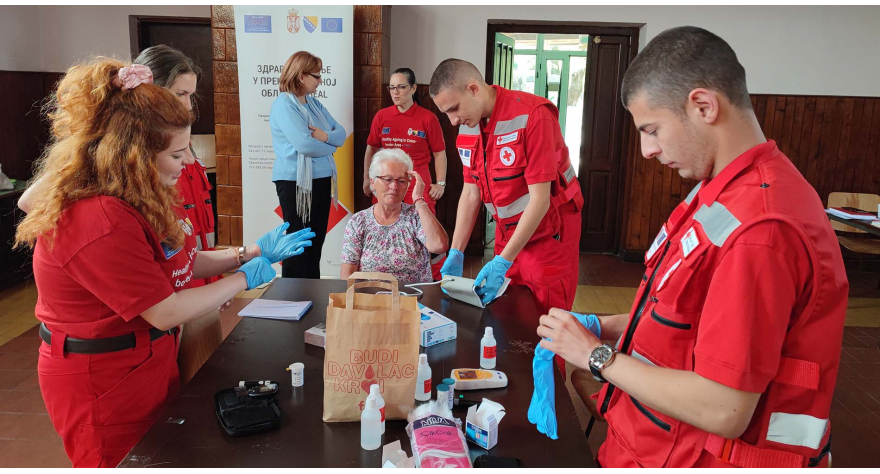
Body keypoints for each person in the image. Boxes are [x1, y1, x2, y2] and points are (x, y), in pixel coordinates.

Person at [536, 26, 847, 468]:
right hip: (652, 445)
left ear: (703, 106)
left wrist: (595, 354)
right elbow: (687, 316)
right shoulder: (719, 192)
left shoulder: (762, 229)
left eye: (652, 129)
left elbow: (724, 409)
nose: (646, 150)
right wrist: (602, 324)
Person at [13, 58, 313, 467]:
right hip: (103, 378)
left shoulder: (135, 195)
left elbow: (178, 263)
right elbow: (165, 310)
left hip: (146, 360)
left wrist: (250, 253)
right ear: (133, 155)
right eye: (177, 153)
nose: (190, 162)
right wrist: (243, 278)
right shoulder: (99, 217)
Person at [18, 45, 219, 287]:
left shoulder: (179, 143)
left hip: (188, 278)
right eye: (179, 94)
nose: (188, 105)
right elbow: (31, 202)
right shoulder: (106, 152)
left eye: (191, 96)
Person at [429, 59, 583, 312]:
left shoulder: (533, 116)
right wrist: (456, 251)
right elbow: (470, 192)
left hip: (549, 235)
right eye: (446, 112)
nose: (452, 121)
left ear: (474, 89)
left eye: (454, 109)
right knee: (506, 314)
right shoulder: (468, 127)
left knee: (544, 317)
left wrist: (502, 261)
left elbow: (540, 200)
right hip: (508, 231)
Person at [363, 68, 448, 279]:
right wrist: (367, 177)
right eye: (392, 87)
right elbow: (371, 149)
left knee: (426, 233)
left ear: (413, 88)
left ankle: (433, 278)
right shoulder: (382, 116)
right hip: (386, 183)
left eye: (401, 87)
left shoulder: (427, 118)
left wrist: (441, 183)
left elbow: (440, 153)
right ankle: (388, 274)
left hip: (418, 186)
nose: (395, 92)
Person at [270, 51, 346, 279]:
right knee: (298, 243)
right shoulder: (284, 104)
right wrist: (329, 143)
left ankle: (310, 293)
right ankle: (293, 296)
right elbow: (305, 145)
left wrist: (325, 137)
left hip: (321, 179)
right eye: (316, 75)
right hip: (295, 182)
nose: (320, 80)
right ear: (301, 76)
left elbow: (340, 134)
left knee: (315, 241)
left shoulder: (314, 104)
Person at [342, 148, 448, 282]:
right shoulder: (358, 221)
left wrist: (419, 200)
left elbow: (439, 246)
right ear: (373, 182)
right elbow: (347, 275)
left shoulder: (416, 216)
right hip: (371, 298)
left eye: (402, 181)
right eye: (387, 179)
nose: (394, 186)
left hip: (414, 298)